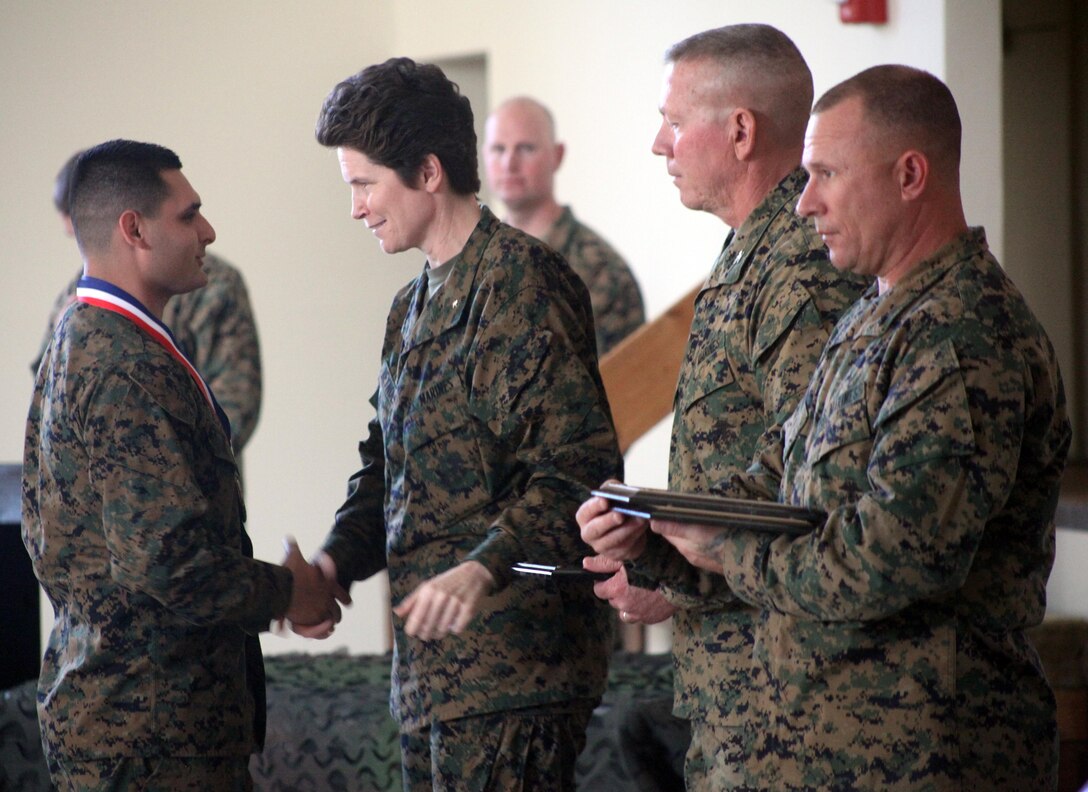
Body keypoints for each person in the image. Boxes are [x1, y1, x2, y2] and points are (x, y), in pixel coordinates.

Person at [587, 65, 1071, 789]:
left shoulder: (964, 335)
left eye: (827, 174)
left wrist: (729, 552)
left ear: (910, 174)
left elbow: (891, 558)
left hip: (930, 754)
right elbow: (779, 488)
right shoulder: (869, 320)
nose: (805, 203)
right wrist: (657, 535)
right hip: (824, 748)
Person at [306, 58, 622, 791]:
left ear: (426, 172)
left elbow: (578, 468)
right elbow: (387, 466)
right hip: (434, 680)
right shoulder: (410, 306)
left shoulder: (519, 284)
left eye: (364, 185)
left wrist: (485, 563)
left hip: (517, 673)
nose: (356, 207)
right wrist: (331, 566)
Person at [575, 24, 869, 790]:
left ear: (740, 130)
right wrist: (663, 563)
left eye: (674, 122)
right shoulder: (750, 254)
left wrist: (678, 564)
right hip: (736, 681)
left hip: (788, 698)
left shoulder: (801, 269)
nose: (657, 144)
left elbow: (810, 502)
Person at [21, 139, 337, 791]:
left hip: (138, 720)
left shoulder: (92, 337)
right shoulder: (123, 366)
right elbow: (168, 563)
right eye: (189, 215)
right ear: (134, 229)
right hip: (150, 732)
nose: (208, 231)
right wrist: (288, 592)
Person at [33, 150, 263, 461]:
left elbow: (235, 408)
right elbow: (50, 423)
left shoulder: (211, 286)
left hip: (194, 495)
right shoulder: (71, 304)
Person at [484, 96, 645, 355]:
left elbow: (624, 382)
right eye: (498, 149)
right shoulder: (476, 260)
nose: (509, 164)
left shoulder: (600, 270)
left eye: (525, 148)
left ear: (557, 156)